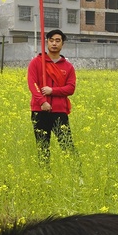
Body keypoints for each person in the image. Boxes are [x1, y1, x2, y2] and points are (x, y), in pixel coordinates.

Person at [26, 28, 77, 160]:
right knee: (43, 147)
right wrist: (42, 102)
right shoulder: (36, 62)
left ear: (62, 44)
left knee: (67, 145)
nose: (54, 43)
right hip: (39, 110)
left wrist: (52, 91)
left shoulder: (68, 67)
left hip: (59, 111)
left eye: (58, 41)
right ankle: (45, 173)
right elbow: (32, 84)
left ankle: (76, 172)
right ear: (47, 42)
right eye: (51, 40)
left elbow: (70, 88)